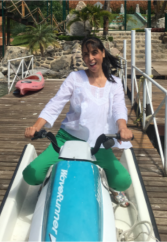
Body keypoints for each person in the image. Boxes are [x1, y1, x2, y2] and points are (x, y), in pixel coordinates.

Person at [23, 36, 133, 206]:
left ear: (103, 53)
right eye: (86, 54)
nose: (90, 58)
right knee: (32, 174)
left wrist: (123, 127)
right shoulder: (75, 78)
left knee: (123, 181)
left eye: (94, 52)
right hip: (67, 139)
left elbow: (119, 108)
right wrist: (36, 127)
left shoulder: (115, 83)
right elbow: (56, 103)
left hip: (99, 143)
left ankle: (114, 189)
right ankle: (49, 181)